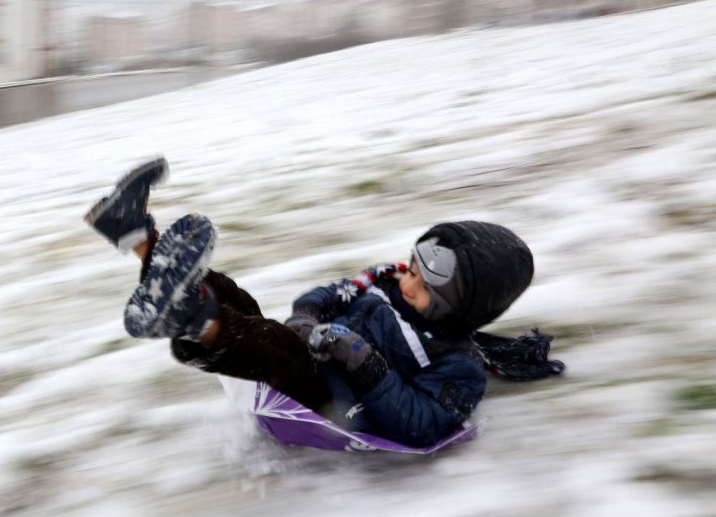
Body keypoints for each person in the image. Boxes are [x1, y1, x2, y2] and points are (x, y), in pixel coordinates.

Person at [85, 157, 561, 448]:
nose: (408, 282)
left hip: (338, 404)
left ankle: (192, 319)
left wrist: (364, 362)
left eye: (424, 286)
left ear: (462, 309)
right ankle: (139, 236)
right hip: (312, 349)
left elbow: (422, 424)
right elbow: (331, 293)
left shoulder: (459, 368)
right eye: (413, 267)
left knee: (274, 347)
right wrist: (308, 314)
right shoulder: (391, 279)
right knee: (243, 305)